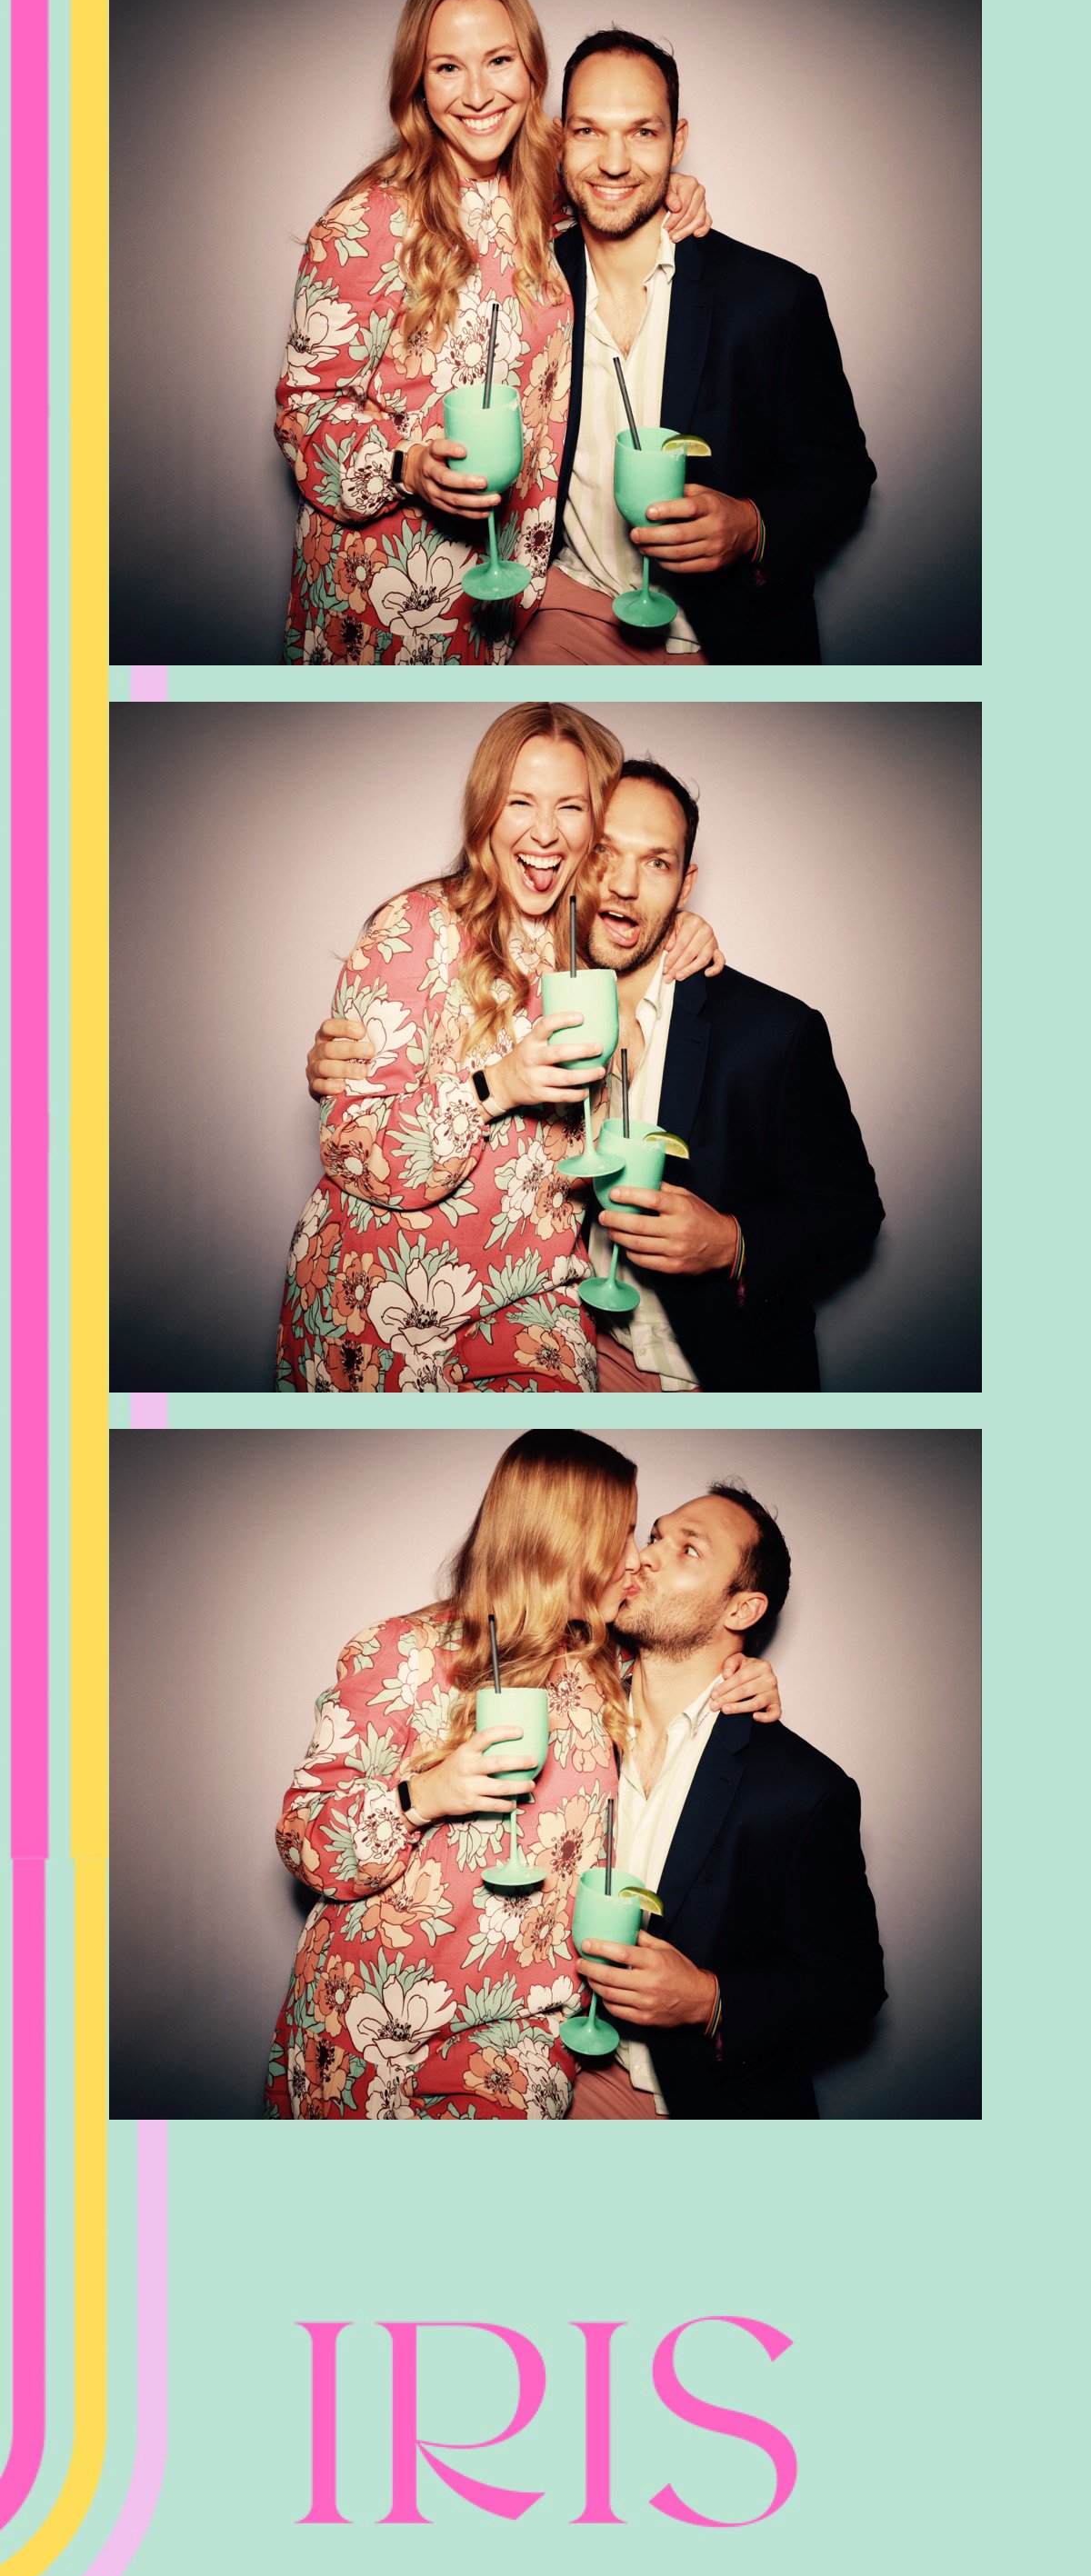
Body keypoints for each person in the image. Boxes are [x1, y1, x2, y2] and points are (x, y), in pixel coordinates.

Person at [265, 1437, 781, 2122]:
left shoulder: (605, 1669)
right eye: (624, 1532)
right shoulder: (400, 1656)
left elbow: (690, 1671)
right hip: (365, 2024)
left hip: (518, 2040)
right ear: (562, 1536)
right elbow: (305, 1844)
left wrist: (750, 1673)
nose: (636, 1560)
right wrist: (423, 1796)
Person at [275, 708, 725, 1393]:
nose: (545, 832)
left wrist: (687, 931)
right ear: (487, 810)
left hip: (532, 1299)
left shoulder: (598, 948)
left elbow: (648, 911)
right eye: (521, 801)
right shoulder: (418, 926)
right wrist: (496, 1085)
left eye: (571, 807)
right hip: (378, 1303)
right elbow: (349, 1145)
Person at [274, 0, 708, 667]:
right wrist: (405, 465)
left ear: (532, 68)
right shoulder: (366, 223)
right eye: (448, 67)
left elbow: (620, 185)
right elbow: (303, 415)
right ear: (419, 84)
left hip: (520, 596)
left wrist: (673, 188)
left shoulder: (554, 201)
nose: (478, 92)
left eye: (499, 60)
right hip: (386, 595)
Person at [514, 27, 875, 669]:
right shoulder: (524, 284)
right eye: (589, 130)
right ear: (559, 138)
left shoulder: (776, 300)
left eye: (643, 133)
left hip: (724, 639)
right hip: (571, 612)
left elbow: (843, 476)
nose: (616, 161)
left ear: (677, 141)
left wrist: (752, 525)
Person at [572, 1483, 886, 2120]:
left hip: (696, 2104)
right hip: (543, 2084)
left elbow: (851, 1987)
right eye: (655, 1536)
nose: (647, 1556)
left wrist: (711, 1999)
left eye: (687, 1548)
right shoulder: (569, 1722)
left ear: (742, 1609)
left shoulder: (805, 1790)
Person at [579, 755, 883, 1391]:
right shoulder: (516, 1005)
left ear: (685, 885)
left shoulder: (775, 1033)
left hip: (712, 1377)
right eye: (605, 853)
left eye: (655, 862)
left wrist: (731, 1241)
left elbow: (853, 1212)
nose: (625, 886)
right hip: (561, 1359)